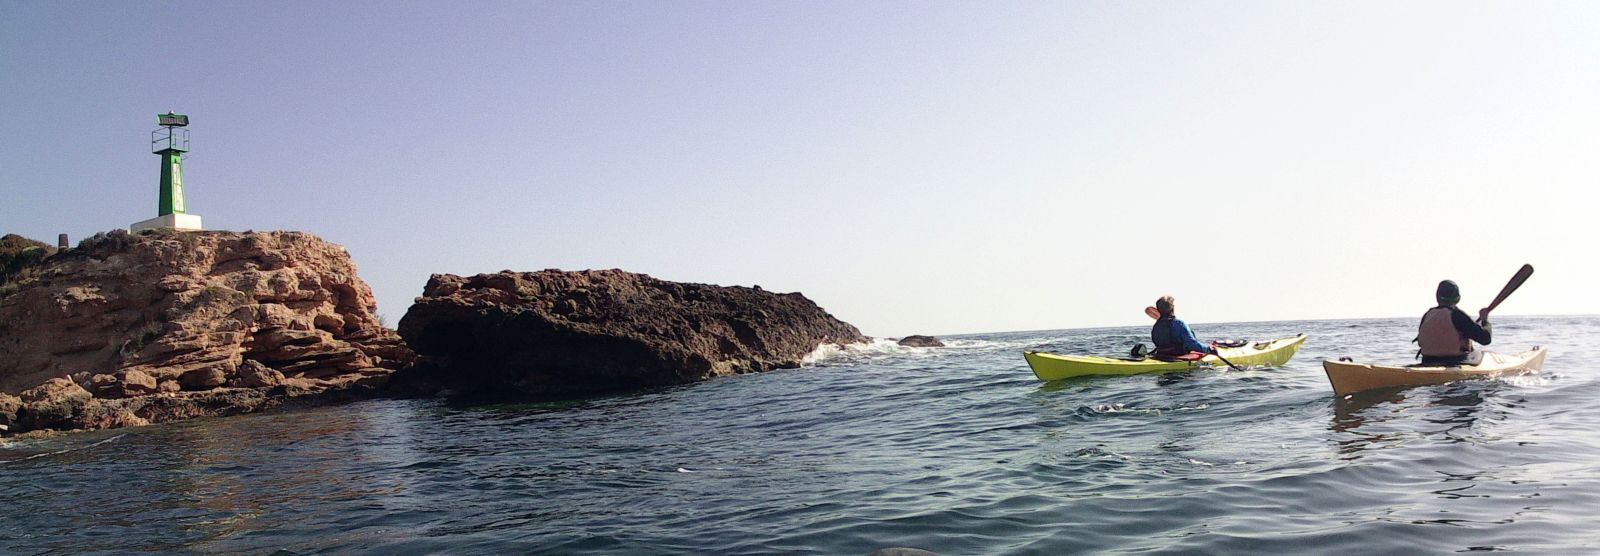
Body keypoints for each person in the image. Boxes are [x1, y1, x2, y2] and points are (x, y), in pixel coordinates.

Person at [1416, 280, 1492, 365]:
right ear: (1458, 298)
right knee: (1480, 354)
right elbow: (1486, 339)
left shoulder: (1428, 315)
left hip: (1428, 360)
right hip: (1455, 361)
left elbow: (1420, 342)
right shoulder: (1457, 315)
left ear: (1437, 297)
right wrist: (1485, 321)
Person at [1151, 295, 1215, 359]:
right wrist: (1209, 348)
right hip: (1177, 356)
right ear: (1173, 307)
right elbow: (1192, 345)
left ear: (1158, 310)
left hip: (1161, 355)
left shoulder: (1156, 325)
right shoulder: (1179, 323)